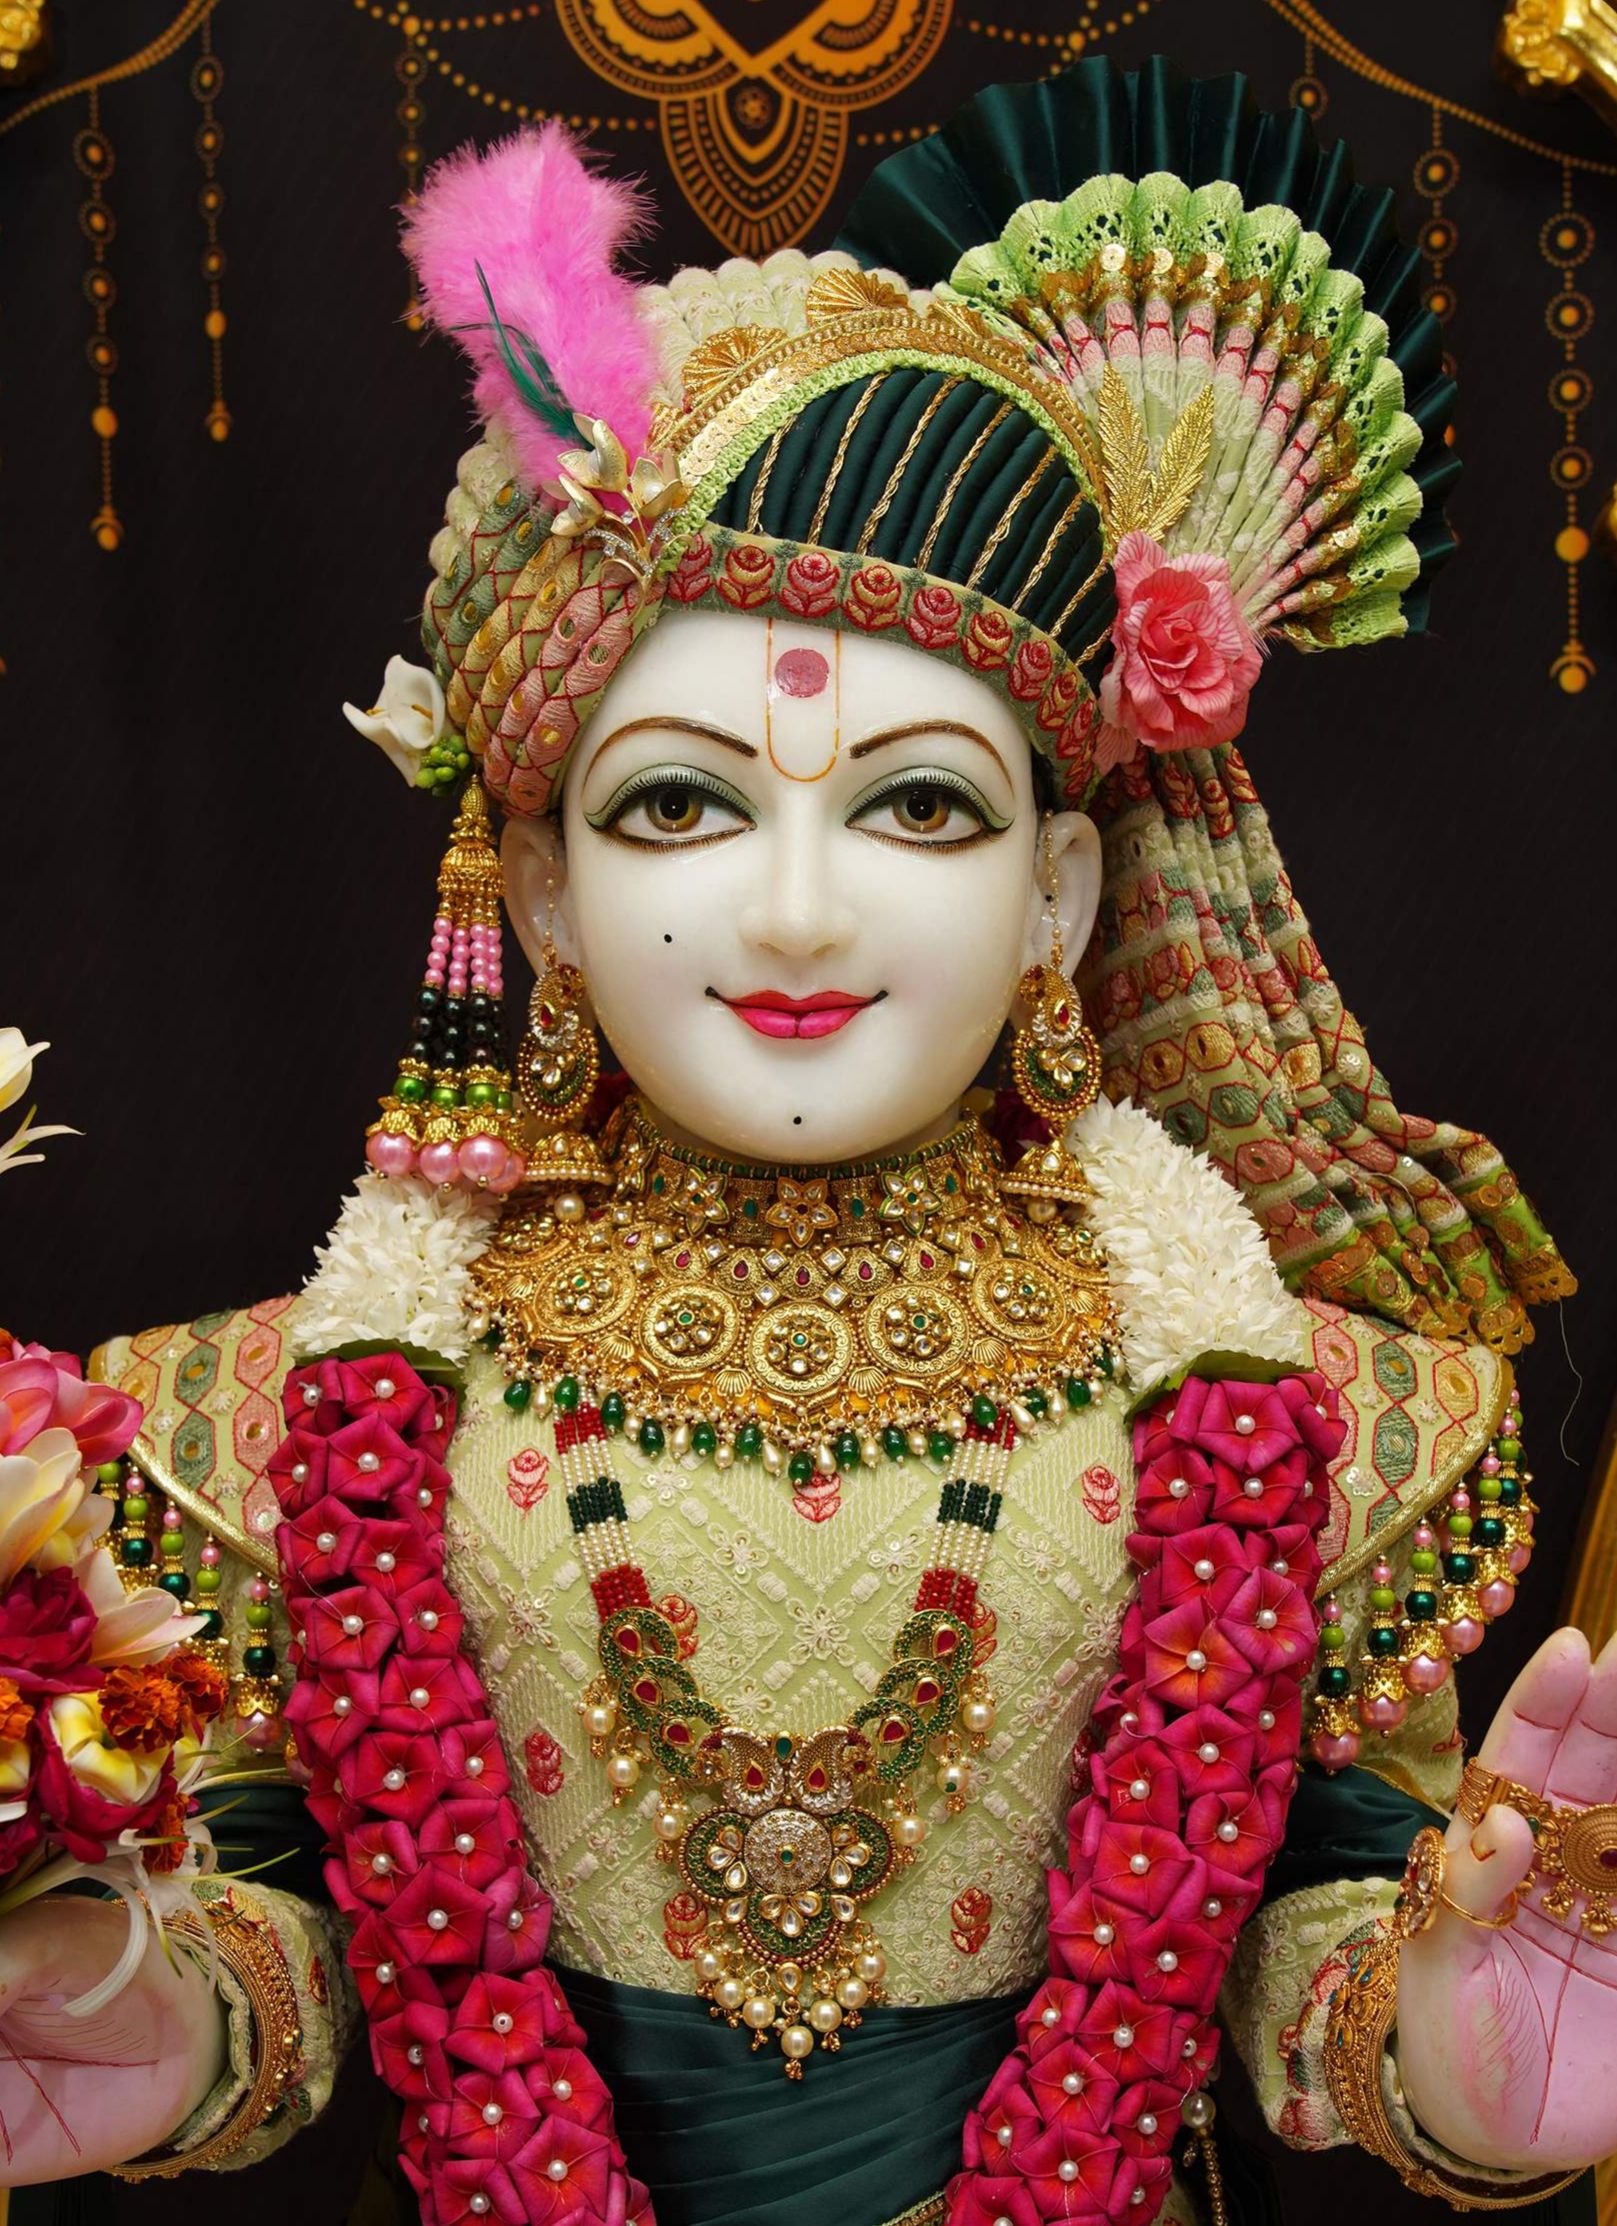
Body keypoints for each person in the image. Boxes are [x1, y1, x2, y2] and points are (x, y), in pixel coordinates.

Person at [3, 53, 1608, 2226]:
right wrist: (145, 2008)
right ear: (541, 883)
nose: (790, 911)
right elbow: (282, 1912)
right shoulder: (285, 1410)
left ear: (1060, 892)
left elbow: (1306, 1936)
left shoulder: (1290, 1408)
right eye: (677, 803)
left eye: (916, 809)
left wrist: (1445, 2041)